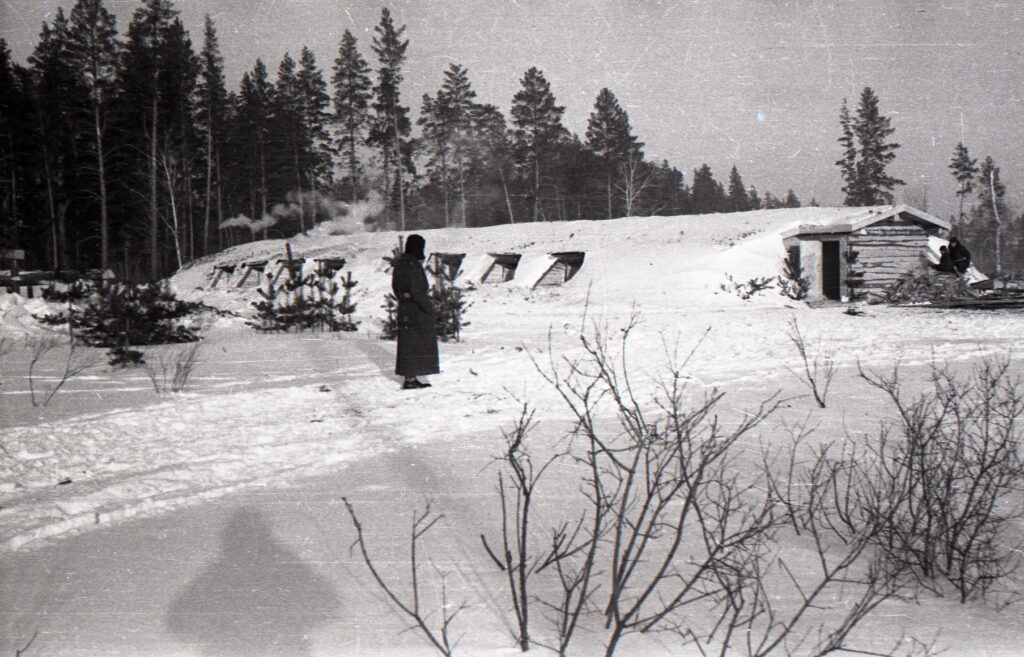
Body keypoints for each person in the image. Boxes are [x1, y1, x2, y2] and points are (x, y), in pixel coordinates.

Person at [391, 234, 439, 390]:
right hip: (416, 311)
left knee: (409, 345)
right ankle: (410, 379)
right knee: (415, 345)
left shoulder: (401, 264)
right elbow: (417, 290)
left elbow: (398, 289)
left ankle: (410, 377)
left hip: (406, 310)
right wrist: (429, 308)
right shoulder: (411, 265)